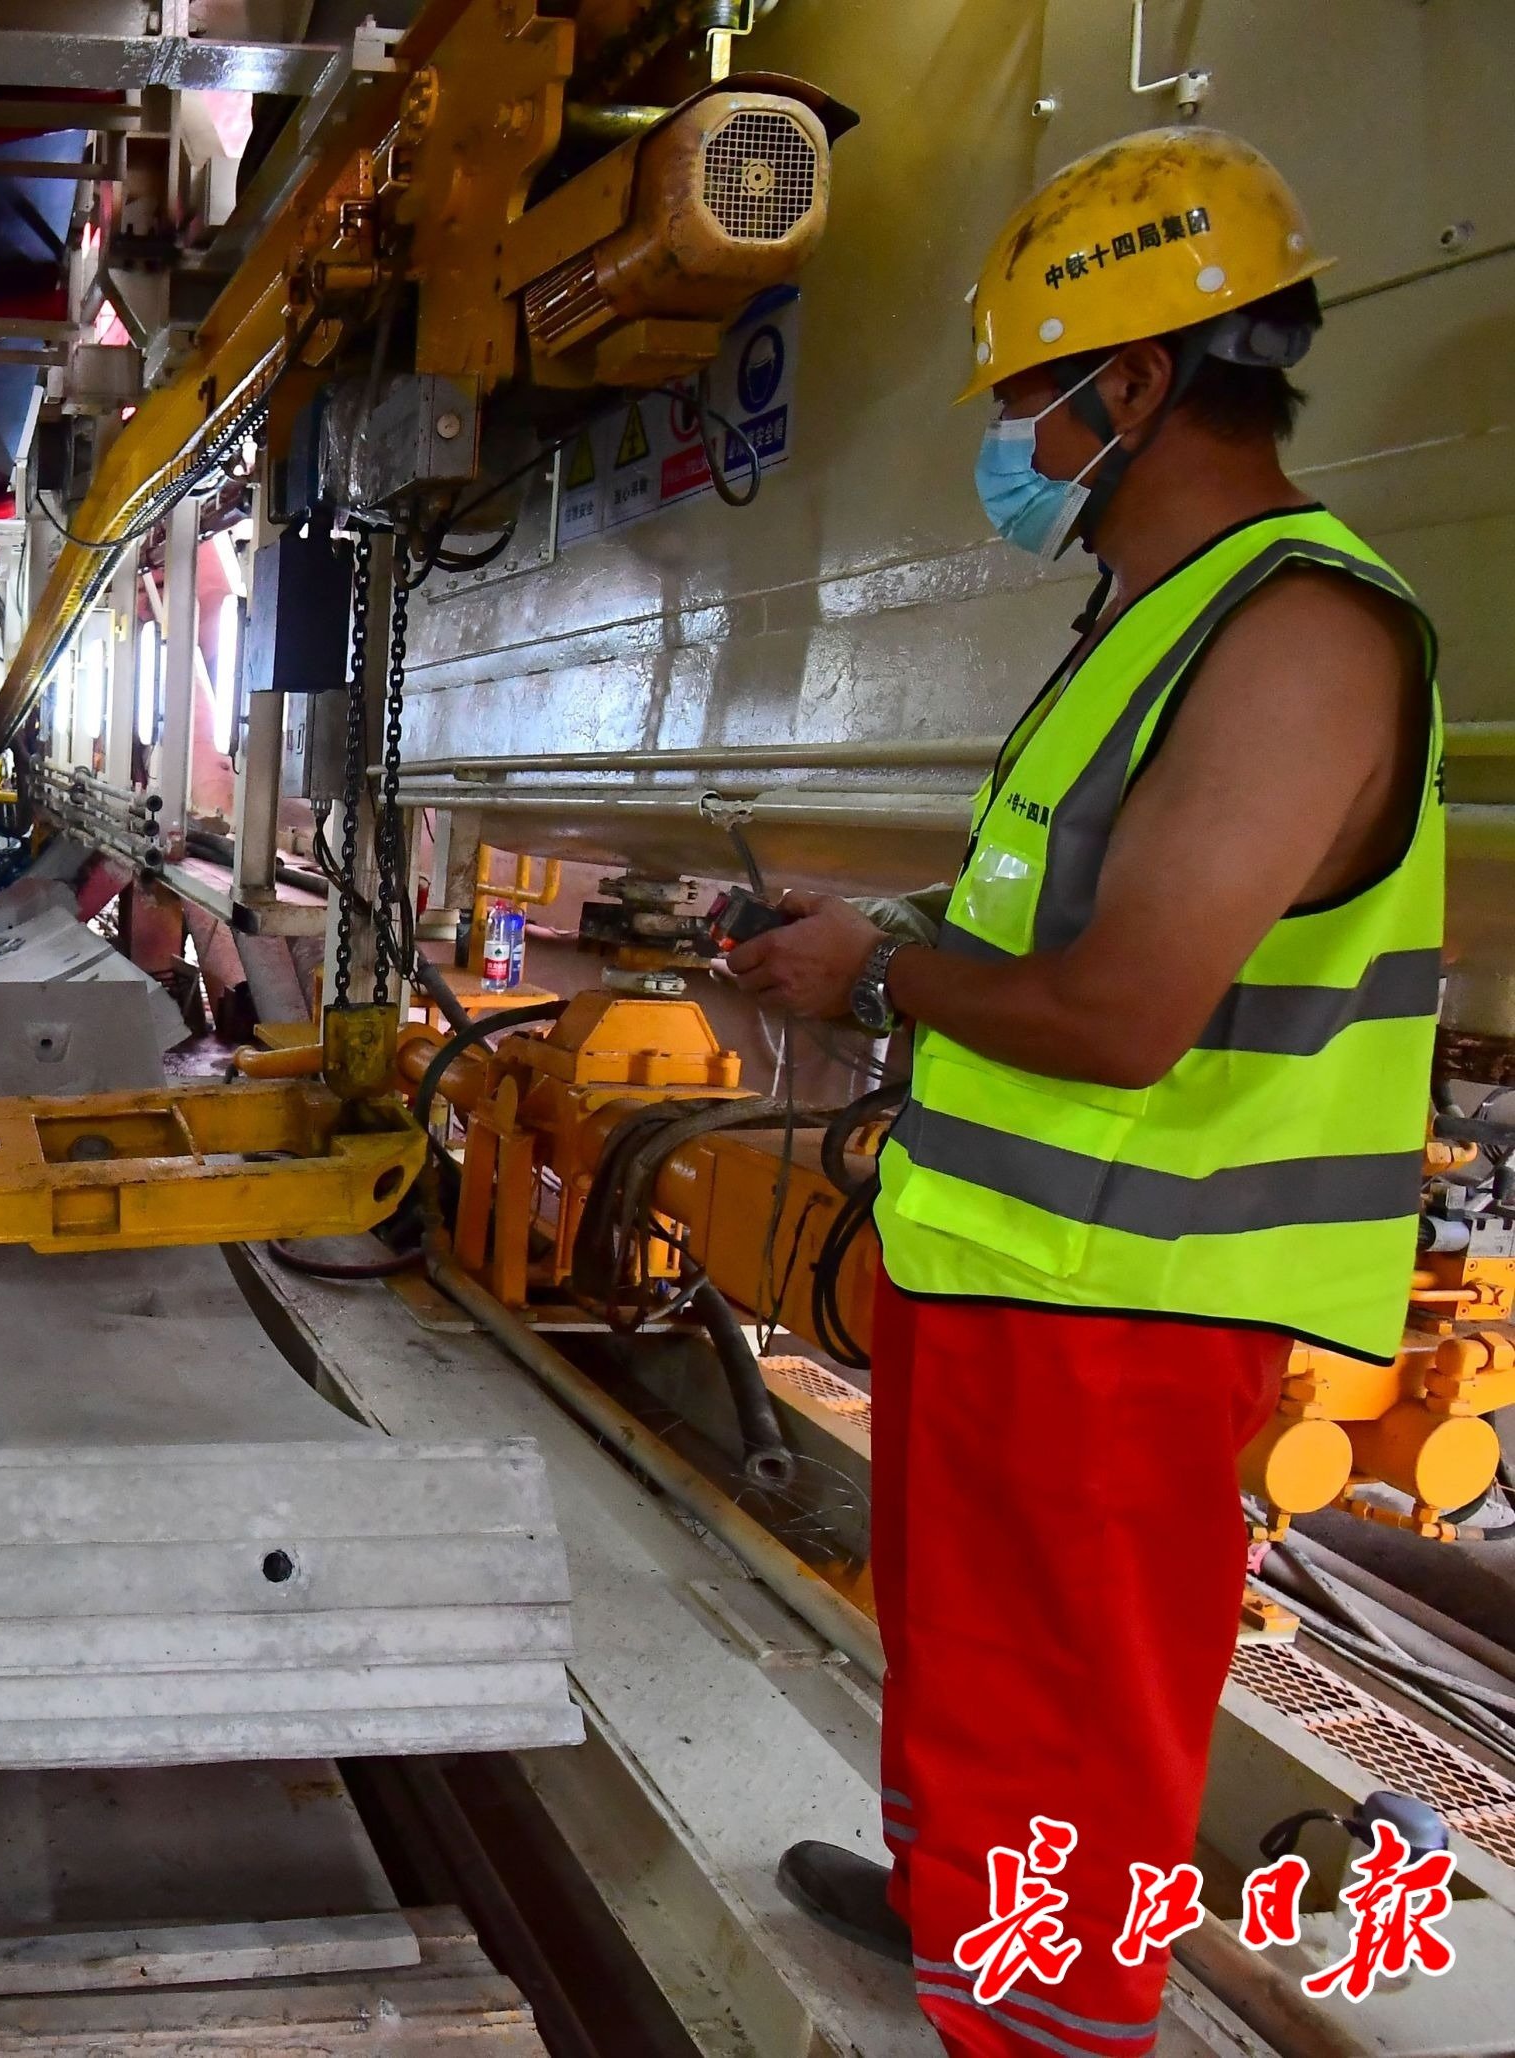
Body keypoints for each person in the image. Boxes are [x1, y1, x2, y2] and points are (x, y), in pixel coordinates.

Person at [730, 131, 1438, 2056]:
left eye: (1035, 401)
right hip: (1015, 1276)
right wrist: (891, 925)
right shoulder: (1151, 619)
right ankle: (960, 1905)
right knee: (968, 1669)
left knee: (1072, 1715)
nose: (1020, 444)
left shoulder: (1296, 631)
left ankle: (1044, 2024)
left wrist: (869, 967)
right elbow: (1054, 912)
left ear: (1136, 384)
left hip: (1128, 1309)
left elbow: (1125, 1010)